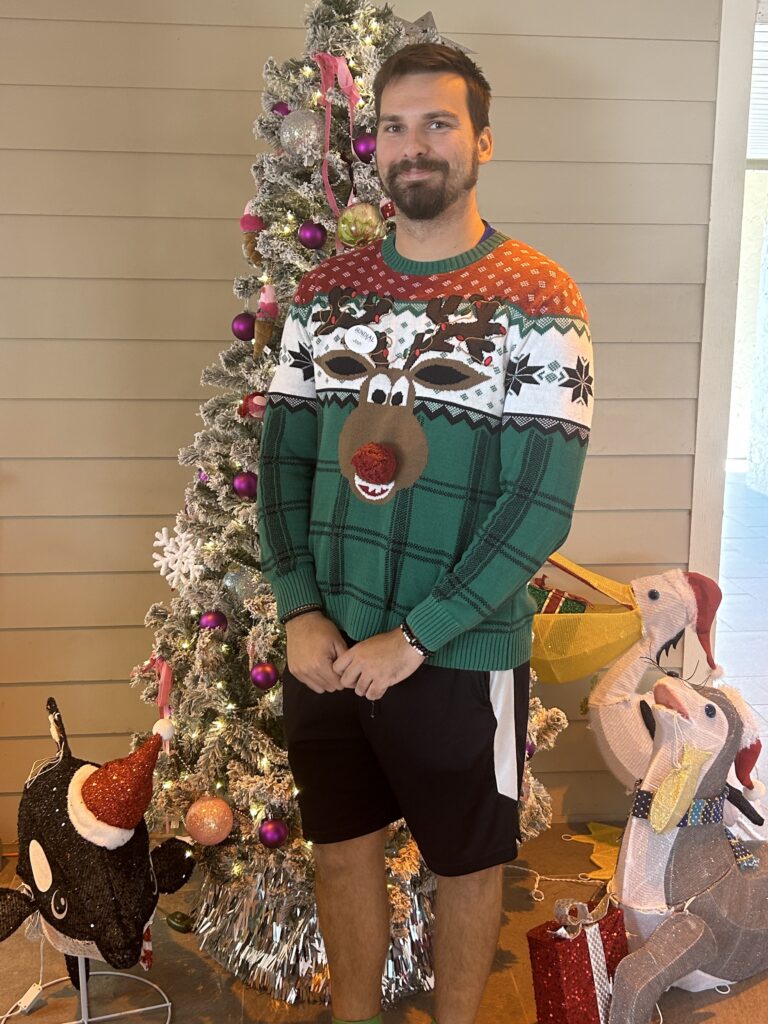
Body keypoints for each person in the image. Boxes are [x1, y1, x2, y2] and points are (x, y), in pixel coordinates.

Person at [257, 42, 594, 1024]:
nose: (416, 146)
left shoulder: (539, 301)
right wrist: (301, 608)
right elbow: (280, 462)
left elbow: (537, 508)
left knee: (467, 863)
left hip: (458, 650)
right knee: (342, 847)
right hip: (329, 645)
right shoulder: (324, 294)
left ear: (481, 139)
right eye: (396, 126)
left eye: (439, 124)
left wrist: (416, 637)